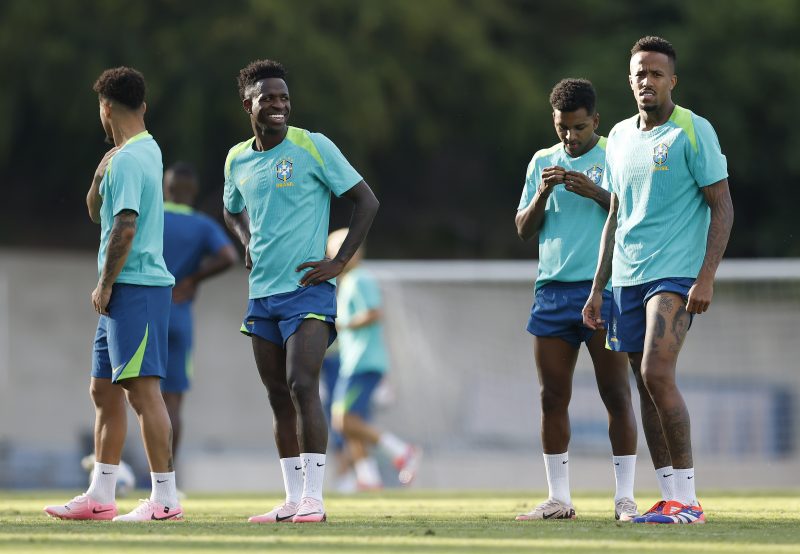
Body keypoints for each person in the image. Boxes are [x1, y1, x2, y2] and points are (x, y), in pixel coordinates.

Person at [582, 36, 734, 525]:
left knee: (656, 373)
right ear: (629, 81)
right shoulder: (622, 137)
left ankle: (689, 500)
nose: (646, 81)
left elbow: (722, 205)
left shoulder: (693, 130)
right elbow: (615, 216)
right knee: (642, 386)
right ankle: (669, 497)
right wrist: (597, 288)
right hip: (625, 276)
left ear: (672, 80)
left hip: (674, 275)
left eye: (655, 73)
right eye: (638, 74)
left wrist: (706, 277)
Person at [223, 59, 379, 523]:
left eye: (284, 98)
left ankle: (315, 498)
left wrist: (339, 261)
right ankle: (292, 499)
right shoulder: (237, 158)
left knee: (302, 384)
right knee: (276, 394)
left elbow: (366, 200)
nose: (278, 105)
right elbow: (230, 208)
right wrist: (247, 239)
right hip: (262, 294)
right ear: (247, 103)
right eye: (268, 98)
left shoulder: (313, 146)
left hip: (308, 290)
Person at [45, 67, 183, 522]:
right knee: (103, 391)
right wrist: (94, 182)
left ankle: (165, 499)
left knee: (143, 393)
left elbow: (124, 226)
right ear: (141, 106)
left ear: (105, 107)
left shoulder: (128, 159)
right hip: (123, 293)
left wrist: (105, 283)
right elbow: (98, 213)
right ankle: (101, 495)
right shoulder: (142, 150)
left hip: (135, 287)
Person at [514, 79, 640, 522]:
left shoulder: (616, 154)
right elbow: (523, 229)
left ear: (596, 121)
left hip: (603, 289)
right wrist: (544, 192)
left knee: (615, 395)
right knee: (552, 396)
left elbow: (634, 215)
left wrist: (597, 193)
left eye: (579, 128)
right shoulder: (541, 161)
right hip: (552, 291)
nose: (570, 137)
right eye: (562, 128)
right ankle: (559, 498)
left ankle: (625, 498)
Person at [327, 228, 422, 491]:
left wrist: (341, 325)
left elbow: (373, 313)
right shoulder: (347, 282)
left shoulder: (359, 279)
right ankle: (368, 478)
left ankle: (402, 451)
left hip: (363, 361)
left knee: (342, 420)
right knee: (350, 423)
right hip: (353, 361)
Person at [161, 162, 238, 466]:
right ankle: (166, 480)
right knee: (172, 403)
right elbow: (229, 257)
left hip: (145, 314)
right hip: (179, 316)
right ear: (192, 192)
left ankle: (121, 474)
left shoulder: (150, 218)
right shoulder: (203, 226)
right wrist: (192, 280)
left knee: (138, 398)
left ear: (165, 188)